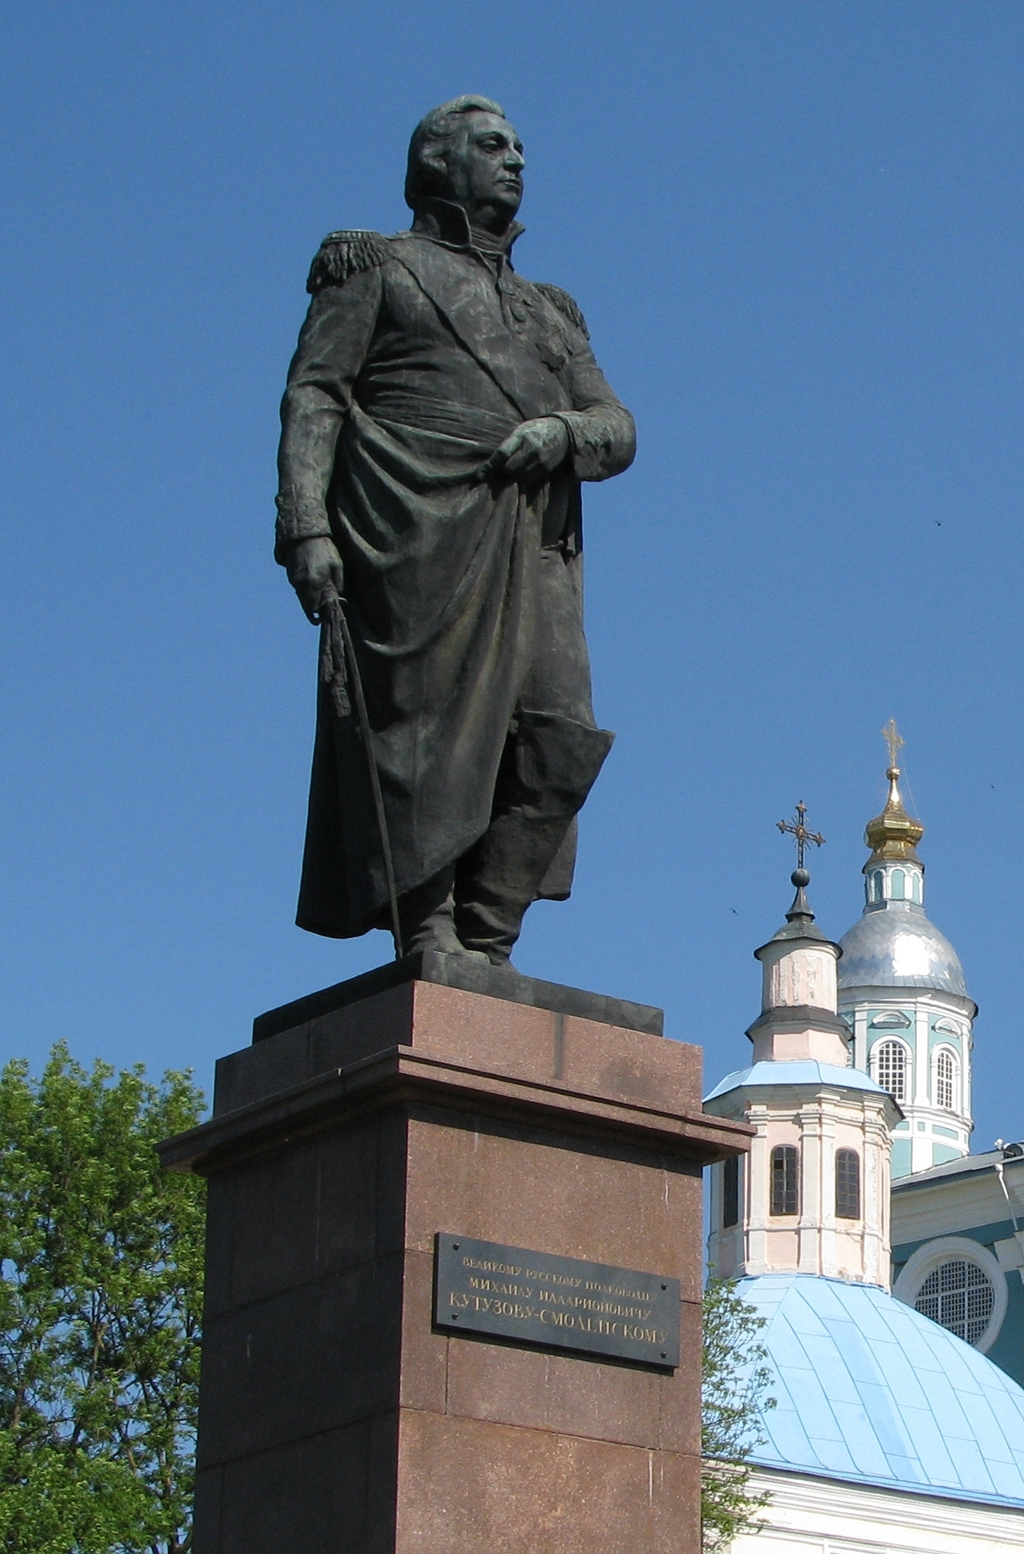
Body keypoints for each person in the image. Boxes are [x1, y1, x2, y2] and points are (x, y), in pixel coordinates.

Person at [276, 95, 635, 965]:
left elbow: (617, 425)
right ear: (438, 163)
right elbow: (317, 392)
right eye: (491, 145)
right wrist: (305, 526)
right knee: (422, 734)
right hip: (415, 524)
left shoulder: (552, 309)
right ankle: (430, 923)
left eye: (519, 146)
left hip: (534, 534)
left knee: (559, 735)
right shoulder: (378, 268)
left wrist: (564, 433)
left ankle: (488, 927)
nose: (515, 159)